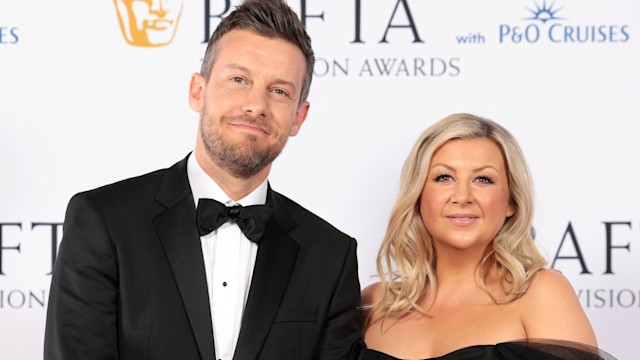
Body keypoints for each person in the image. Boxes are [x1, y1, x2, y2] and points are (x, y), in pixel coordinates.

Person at [44, 1, 361, 359]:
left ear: (298, 117)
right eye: (238, 80)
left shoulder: (330, 256)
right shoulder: (104, 221)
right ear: (198, 91)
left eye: (279, 91)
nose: (256, 105)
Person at [353, 114, 615, 359]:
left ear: (511, 201)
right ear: (419, 195)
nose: (463, 196)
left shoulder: (541, 294)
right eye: (444, 177)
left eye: (483, 180)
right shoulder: (374, 303)